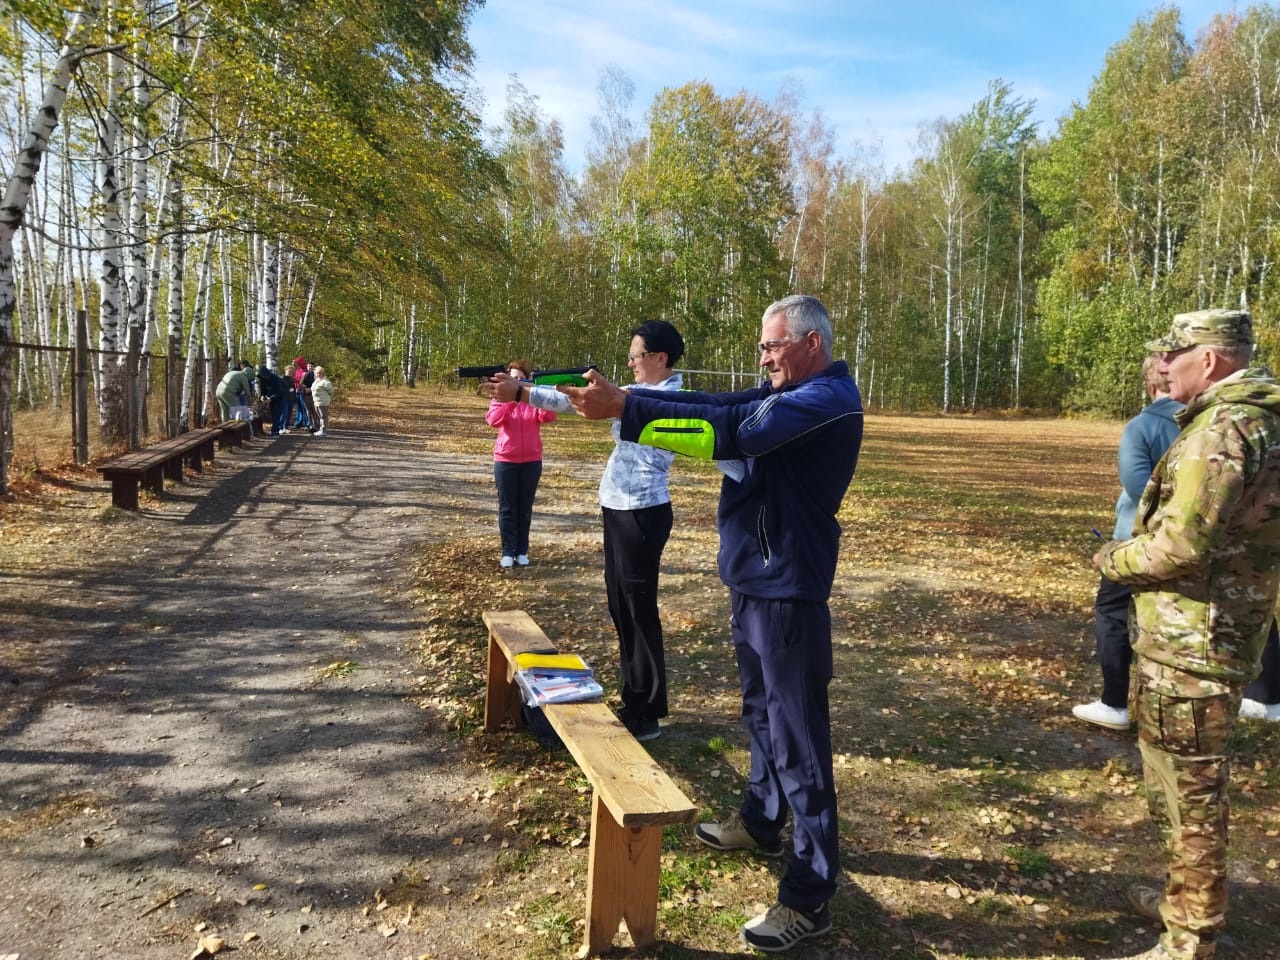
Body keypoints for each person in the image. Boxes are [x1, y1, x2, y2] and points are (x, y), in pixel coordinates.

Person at [563, 294, 862, 953]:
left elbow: (733, 433)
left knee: (799, 743)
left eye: (773, 346)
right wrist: (632, 407)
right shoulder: (783, 391)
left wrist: (631, 410)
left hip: (787, 589)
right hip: (754, 578)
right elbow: (719, 408)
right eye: (761, 347)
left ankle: (809, 898)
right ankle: (760, 819)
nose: (763, 357)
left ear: (812, 343)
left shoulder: (828, 400)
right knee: (761, 717)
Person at [1092, 308, 1280, 960]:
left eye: (1176, 354)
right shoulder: (1252, 419)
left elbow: (1179, 548)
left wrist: (1112, 558)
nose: (1164, 366)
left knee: (1192, 797)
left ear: (1211, 358)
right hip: (1203, 637)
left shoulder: (1225, 431)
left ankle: (1190, 941)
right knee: (1175, 789)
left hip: (1193, 648)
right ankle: (1180, 906)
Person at [485, 321, 686, 742]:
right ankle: (635, 698)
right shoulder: (638, 395)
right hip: (620, 508)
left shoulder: (667, 397)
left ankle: (647, 710)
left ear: (659, 358)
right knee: (620, 605)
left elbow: (586, 401)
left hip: (642, 513)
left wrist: (522, 392)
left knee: (637, 608)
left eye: (636, 356)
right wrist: (523, 389)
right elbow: (576, 398)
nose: (630, 363)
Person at [1073, 355, 1183, 731]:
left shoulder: (1144, 426)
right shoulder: (1217, 422)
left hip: (1138, 541)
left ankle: (1114, 702)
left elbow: (1139, 488)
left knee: (1112, 613)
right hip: (1201, 539)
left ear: (1151, 385)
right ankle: (1265, 695)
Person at [485, 359, 557, 568]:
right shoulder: (499, 398)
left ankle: (521, 551)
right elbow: (493, 420)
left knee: (524, 508)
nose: (517, 381)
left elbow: (548, 416)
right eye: (513, 378)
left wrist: (536, 396)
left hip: (531, 460)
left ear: (527, 380)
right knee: (507, 508)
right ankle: (508, 551)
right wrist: (510, 400)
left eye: (521, 378)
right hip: (506, 459)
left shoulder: (532, 399)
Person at [257, 364, 285, 436]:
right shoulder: (262, 380)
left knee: (276, 415)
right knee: (272, 415)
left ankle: (275, 431)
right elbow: (262, 390)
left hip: (278, 398)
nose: (264, 377)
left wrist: (271, 398)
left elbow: (280, 392)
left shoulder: (276, 379)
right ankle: (274, 430)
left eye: (265, 376)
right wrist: (262, 396)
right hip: (269, 399)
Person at [311, 366, 334, 436]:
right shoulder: (316, 381)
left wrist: (326, 398)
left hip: (323, 402)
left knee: (323, 416)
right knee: (320, 416)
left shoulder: (326, 382)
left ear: (323, 373)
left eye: (319, 373)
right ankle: (321, 430)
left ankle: (324, 431)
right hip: (316, 402)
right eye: (317, 373)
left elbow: (331, 392)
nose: (318, 374)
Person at [299, 361, 320, 434]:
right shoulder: (304, 374)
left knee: (315, 411)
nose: (310, 367)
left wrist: (310, 389)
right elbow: (301, 384)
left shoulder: (316, 375)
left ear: (314, 367)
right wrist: (304, 388)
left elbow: (318, 385)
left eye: (311, 366)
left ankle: (317, 426)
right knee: (308, 411)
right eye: (309, 366)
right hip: (305, 395)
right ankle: (310, 426)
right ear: (307, 367)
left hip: (313, 395)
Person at [292, 356, 311, 429]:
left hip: (303, 391)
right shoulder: (297, 370)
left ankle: (308, 424)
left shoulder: (306, 371)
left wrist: (297, 381)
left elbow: (304, 382)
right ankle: (298, 423)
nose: (297, 364)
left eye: (298, 363)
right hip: (297, 391)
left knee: (305, 408)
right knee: (299, 408)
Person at [281, 364, 297, 435]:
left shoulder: (291, 379)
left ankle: (286, 427)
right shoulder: (281, 379)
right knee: (284, 414)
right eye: (289, 371)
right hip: (284, 398)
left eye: (292, 371)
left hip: (290, 399)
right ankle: (281, 427)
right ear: (285, 371)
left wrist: (294, 398)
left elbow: (293, 389)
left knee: (289, 414)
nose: (290, 372)